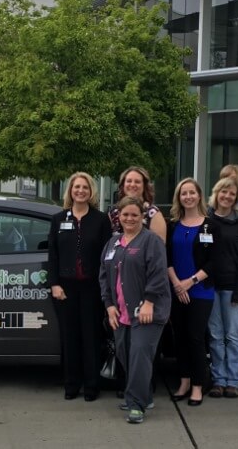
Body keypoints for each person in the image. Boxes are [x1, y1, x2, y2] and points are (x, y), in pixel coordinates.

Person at [100, 196, 171, 424]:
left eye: (134, 214)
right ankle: (144, 396)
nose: (129, 218)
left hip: (147, 311)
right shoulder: (113, 243)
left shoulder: (151, 241)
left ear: (142, 217)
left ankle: (136, 405)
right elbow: (103, 276)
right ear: (118, 217)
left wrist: (149, 301)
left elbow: (159, 273)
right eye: (125, 214)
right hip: (121, 313)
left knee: (140, 355)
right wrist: (109, 306)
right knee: (125, 355)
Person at [47, 172, 111, 401]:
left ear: (91, 191)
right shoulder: (58, 219)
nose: (81, 191)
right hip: (65, 288)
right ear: (70, 191)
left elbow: (107, 257)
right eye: (77, 187)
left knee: (92, 337)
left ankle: (92, 385)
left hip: (92, 288)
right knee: (70, 336)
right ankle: (71, 384)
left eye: (85, 187)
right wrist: (54, 284)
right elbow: (52, 255)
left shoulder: (101, 220)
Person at [204, 177, 238, 399]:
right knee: (215, 335)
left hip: (233, 287)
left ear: (236, 198)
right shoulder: (207, 219)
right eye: (223, 192)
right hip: (210, 286)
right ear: (216, 193)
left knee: (233, 335)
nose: (227, 196)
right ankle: (218, 379)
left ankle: (233, 380)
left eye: (231, 194)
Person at [166, 178, 212, 405]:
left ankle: (197, 385)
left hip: (201, 291)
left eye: (192, 192)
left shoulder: (210, 225)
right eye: (183, 193)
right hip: (176, 290)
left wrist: (190, 282)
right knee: (180, 339)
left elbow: (214, 262)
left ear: (199, 195)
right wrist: (177, 284)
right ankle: (184, 381)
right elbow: (167, 258)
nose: (188, 197)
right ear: (179, 197)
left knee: (195, 338)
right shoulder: (172, 225)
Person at [108, 166, 167, 241]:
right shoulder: (114, 213)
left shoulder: (153, 214)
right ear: (123, 185)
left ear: (144, 186)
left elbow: (159, 247)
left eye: (137, 182)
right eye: (129, 181)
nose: (132, 185)